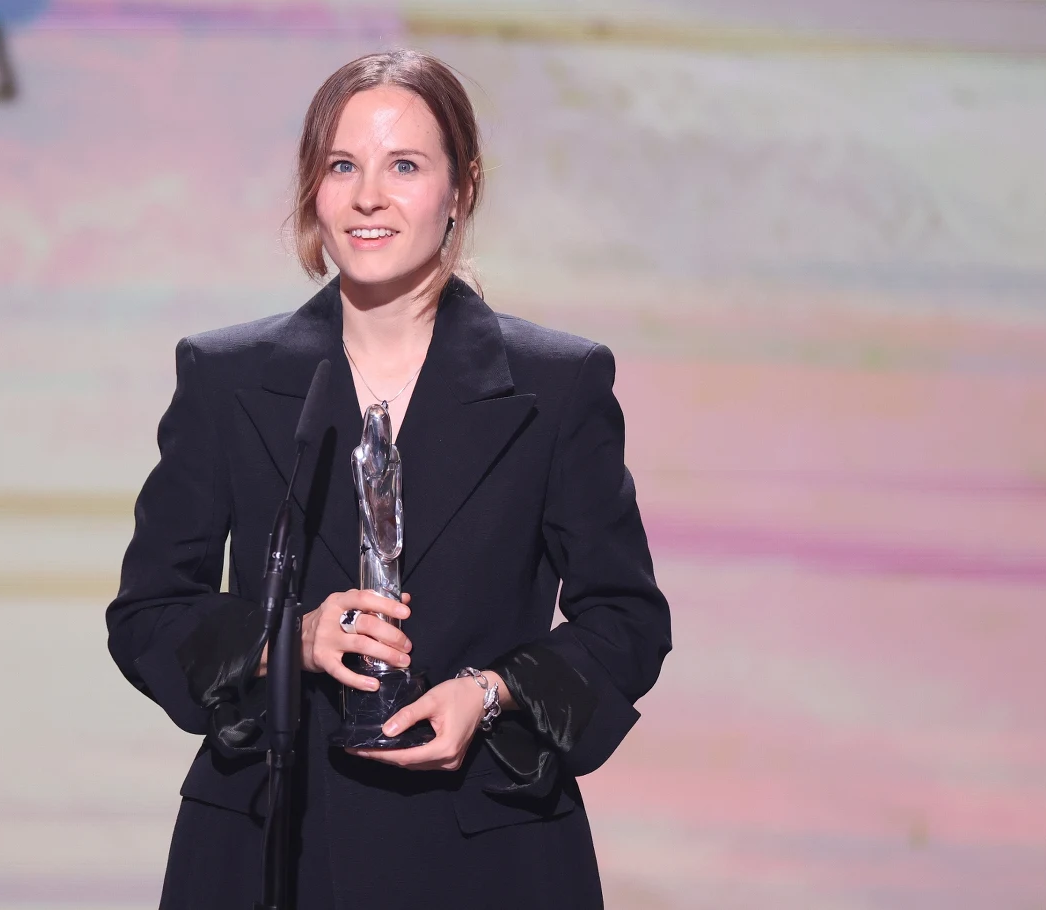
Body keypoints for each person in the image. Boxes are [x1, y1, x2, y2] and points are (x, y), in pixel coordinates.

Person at [106, 49, 672, 910]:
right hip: (270, 841)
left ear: (461, 188)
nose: (368, 196)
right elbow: (147, 614)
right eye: (343, 166)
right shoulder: (225, 378)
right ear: (314, 190)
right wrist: (290, 640)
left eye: (404, 165)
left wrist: (492, 694)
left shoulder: (558, 385)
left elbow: (627, 622)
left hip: (486, 848)